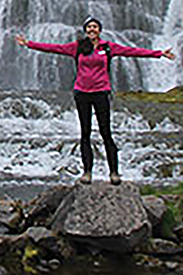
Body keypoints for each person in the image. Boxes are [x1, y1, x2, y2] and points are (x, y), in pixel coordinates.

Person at [15, 18, 174, 185]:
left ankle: (114, 172)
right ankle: (87, 172)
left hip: (101, 93)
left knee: (106, 133)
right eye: (89, 27)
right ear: (86, 30)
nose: (92, 29)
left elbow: (131, 51)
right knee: (85, 133)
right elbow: (54, 48)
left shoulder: (108, 47)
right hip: (82, 93)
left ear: (99, 30)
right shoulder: (77, 47)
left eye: (95, 27)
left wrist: (159, 53)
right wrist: (29, 44)